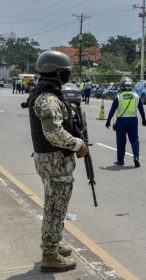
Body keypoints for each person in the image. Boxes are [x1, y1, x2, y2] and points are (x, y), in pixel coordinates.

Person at [26, 50, 88, 272]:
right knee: (55, 207)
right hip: (54, 162)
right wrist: (78, 145)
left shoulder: (46, 94)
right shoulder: (49, 99)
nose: (68, 75)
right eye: (65, 71)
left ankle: (54, 240)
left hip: (50, 161)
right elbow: (53, 133)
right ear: (55, 72)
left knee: (56, 205)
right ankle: (50, 254)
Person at [105, 77, 146, 167]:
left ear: (122, 86)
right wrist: (144, 119)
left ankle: (120, 160)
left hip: (121, 121)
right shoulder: (136, 97)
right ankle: (136, 157)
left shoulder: (118, 97)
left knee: (121, 141)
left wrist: (108, 121)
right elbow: (141, 109)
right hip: (133, 121)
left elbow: (112, 110)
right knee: (134, 140)